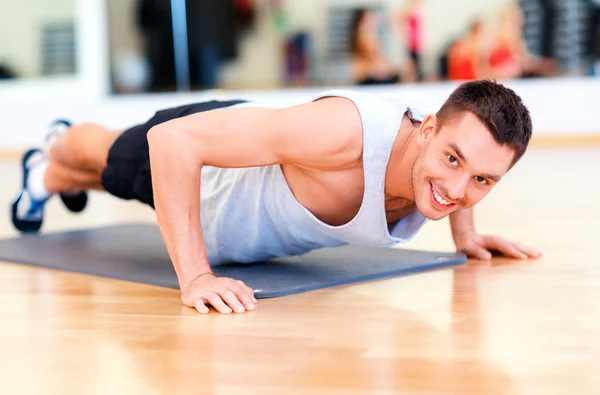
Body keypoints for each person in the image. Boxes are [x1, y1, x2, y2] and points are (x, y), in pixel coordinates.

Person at [11, 80, 542, 315]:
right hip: (208, 176)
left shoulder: (449, 165)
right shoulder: (345, 133)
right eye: (453, 160)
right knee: (110, 158)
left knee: (100, 177)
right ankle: (58, 142)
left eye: (483, 181)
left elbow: (466, 168)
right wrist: (195, 278)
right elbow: (172, 143)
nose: (457, 190)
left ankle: (45, 177)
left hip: (235, 214)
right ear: (426, 130)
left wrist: (467, 236)